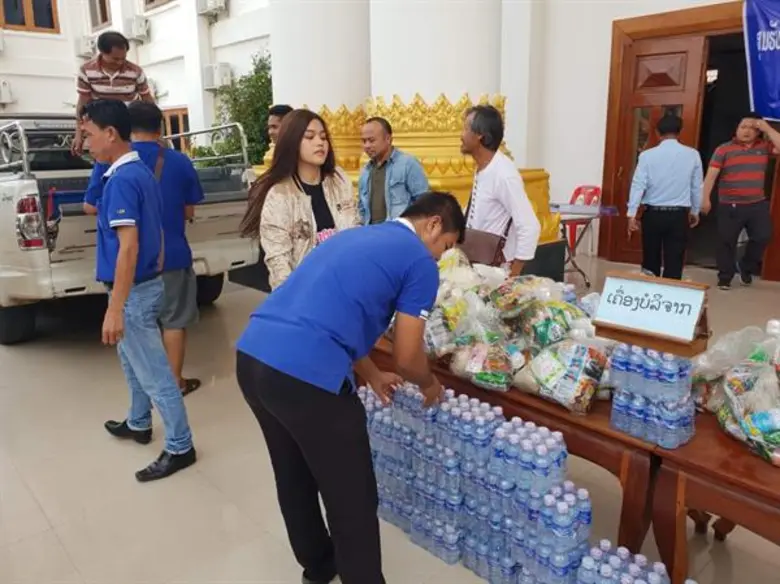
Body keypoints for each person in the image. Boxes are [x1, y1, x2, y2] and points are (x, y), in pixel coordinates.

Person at [236, 192, 466, 584]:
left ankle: (319, 567)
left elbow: (336, 311)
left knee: (293, 475)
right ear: (433, 225)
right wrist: (429, 383)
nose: (440, 258)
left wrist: (373, 374)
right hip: (305, 374)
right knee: (352, 498)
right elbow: (409, 356)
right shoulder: (419, 263)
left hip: (253, 356)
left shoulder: (353, 236)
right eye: (445, 247)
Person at [80, 100, 196, 482]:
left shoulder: (124, 180)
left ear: (110, 134)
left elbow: (128, 247)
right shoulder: (137, 171)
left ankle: (181, 446)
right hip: (140, 285)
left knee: (155, 373)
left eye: (89, 134)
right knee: (132, 364)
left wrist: (115, 308)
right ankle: (138, 421)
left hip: (134, 290)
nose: (86, 143)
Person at [240, 108, 360, 290]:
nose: (320, 143)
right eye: (310, 137)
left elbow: (354, 231)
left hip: (346, 286)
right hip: (306, 293)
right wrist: (291, 303)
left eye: (323, 137)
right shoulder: (279, 195)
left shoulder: (338, 180)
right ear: (293, 142)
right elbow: (279, 261)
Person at [702, 113, 780, 289]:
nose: (746, 131)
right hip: (730, 204)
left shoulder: (764, 147)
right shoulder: (724, 149)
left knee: (762, 236)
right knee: (726, 241)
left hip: (757, 204)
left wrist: (767, 127)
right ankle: (725, 277)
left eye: (751, 128)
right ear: (736, 128)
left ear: (758, 132)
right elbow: (711, 176)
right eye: (743, 127)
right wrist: (705, 198)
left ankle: (746, 267)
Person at [460, 105, 541, 276]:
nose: (461, 136)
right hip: (479, 264)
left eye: (466, 129)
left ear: (479, 135)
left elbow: (530, 226)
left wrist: (513, 276)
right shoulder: (484, 168)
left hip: (497, 271)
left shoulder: (504, 174)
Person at [626, 113, 703, 280]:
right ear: (679, 132)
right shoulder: (692, 155)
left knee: (650, 257)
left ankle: (650, 294)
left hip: (653, 214)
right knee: (674, 259)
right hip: (678, 215)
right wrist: (695, 211)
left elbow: (638, 184)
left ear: (657, 133)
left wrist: (632, 214)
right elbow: (696, 186)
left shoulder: (647, 156)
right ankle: (670, 294)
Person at [73, 31, 154, 155]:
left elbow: (148, 101)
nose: (120, 62)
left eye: (123, 58)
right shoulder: (86, 71)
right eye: (115, 59)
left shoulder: (135, 71)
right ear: (102, 53)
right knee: (104, 163)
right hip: (101, 128)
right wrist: (79, 134)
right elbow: (82, 104)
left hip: (129, 128)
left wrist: (156, 132)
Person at [358, 116, 429, 224]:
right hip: (371, 233)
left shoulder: (408, 164)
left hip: (399, 233)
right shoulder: (365, 171)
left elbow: (424, 203)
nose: (367, 146)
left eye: (371, 140)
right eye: (364, 141)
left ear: (388, 139)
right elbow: (362, 208)